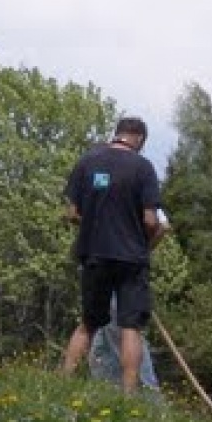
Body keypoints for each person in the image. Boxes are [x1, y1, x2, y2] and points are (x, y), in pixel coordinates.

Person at [58, 116, 165, 392]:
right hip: (131, 258)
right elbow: (152, 220)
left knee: (88, 323)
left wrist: (96, 224)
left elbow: (71, 213)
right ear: (139, 139)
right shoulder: (143, 168)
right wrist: (145, 243)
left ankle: (63, 381)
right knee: (131, 327)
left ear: (117, 134)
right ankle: (128, 394)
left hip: (94, 253)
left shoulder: (88, 161)